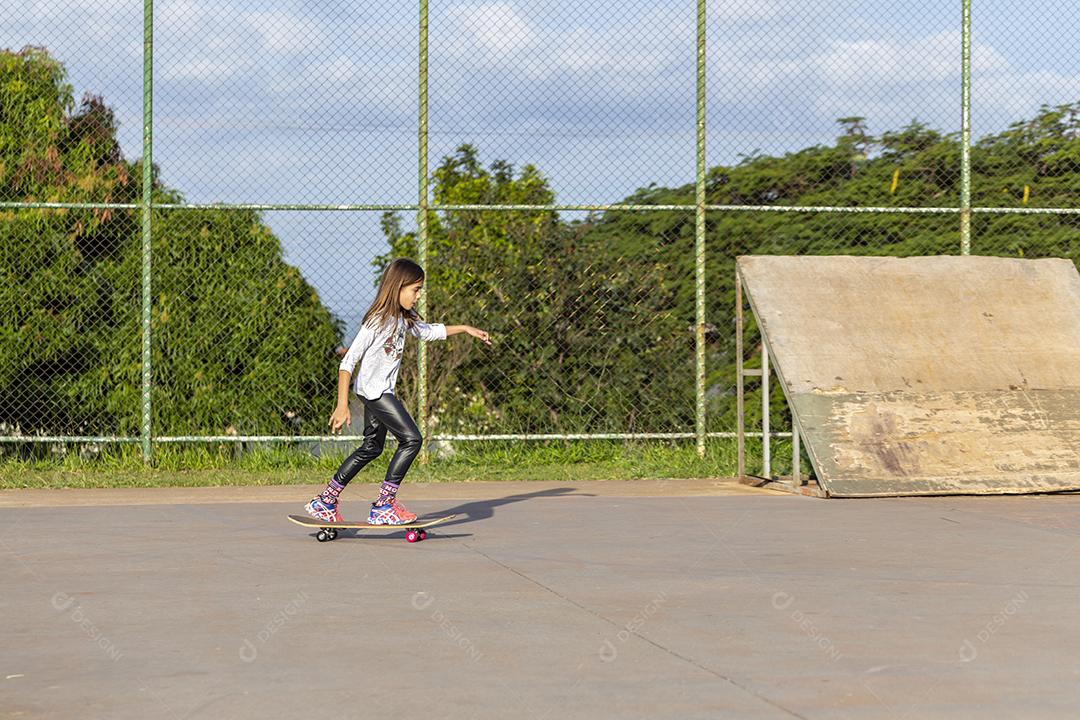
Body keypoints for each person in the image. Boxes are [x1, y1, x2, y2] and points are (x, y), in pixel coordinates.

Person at [305, 258, 491, 525]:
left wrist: (464, 329)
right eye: (415, 290)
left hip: (375, 391)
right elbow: (348, 361)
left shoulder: (403, 319)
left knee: (371, 447)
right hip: (376, 393)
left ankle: (326, 501)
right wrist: (342, 404)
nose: (418, 296)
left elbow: (428, 332)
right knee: (412, 439)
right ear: (398, 286)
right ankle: (383, 505)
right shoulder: (378, 321)